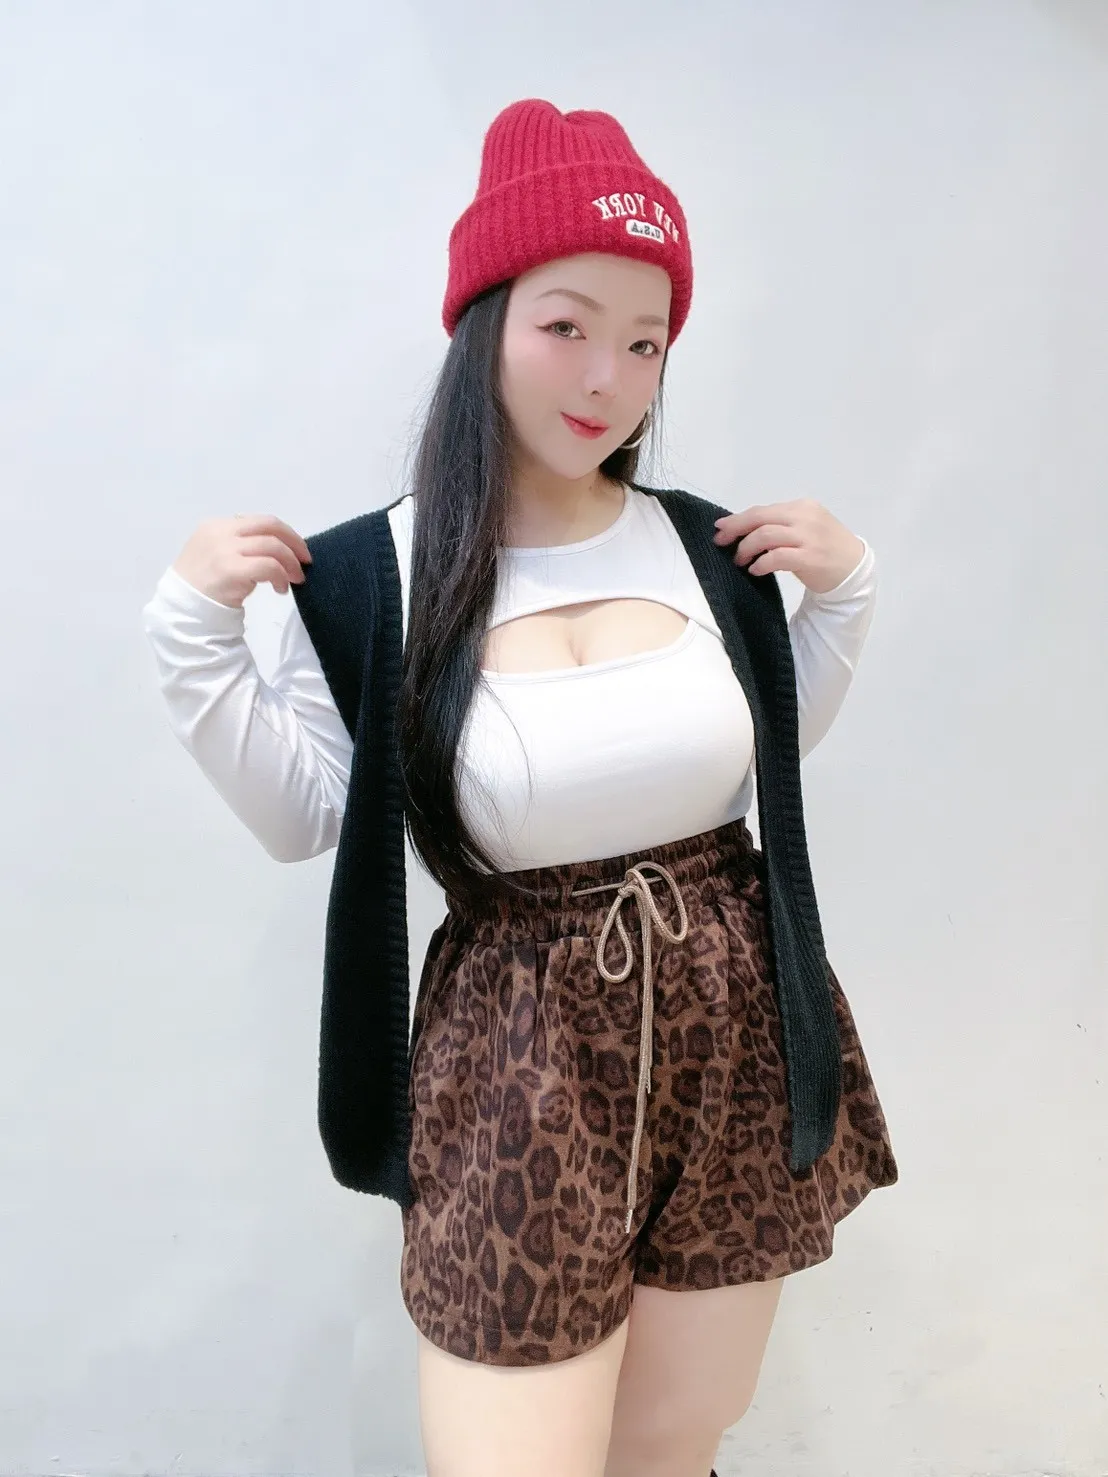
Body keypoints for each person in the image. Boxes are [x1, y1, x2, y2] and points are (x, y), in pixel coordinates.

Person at [142, 97, 898, 1477]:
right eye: (566, 324)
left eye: (646, 341)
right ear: (481, 322)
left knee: (675, 1439)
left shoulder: (709, 552)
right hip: (517, 1063)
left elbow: (759, 761)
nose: (607, 376)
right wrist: (190, 632)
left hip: (738, 1035)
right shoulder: (370, 579)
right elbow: (306, 817)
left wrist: (844, 599)